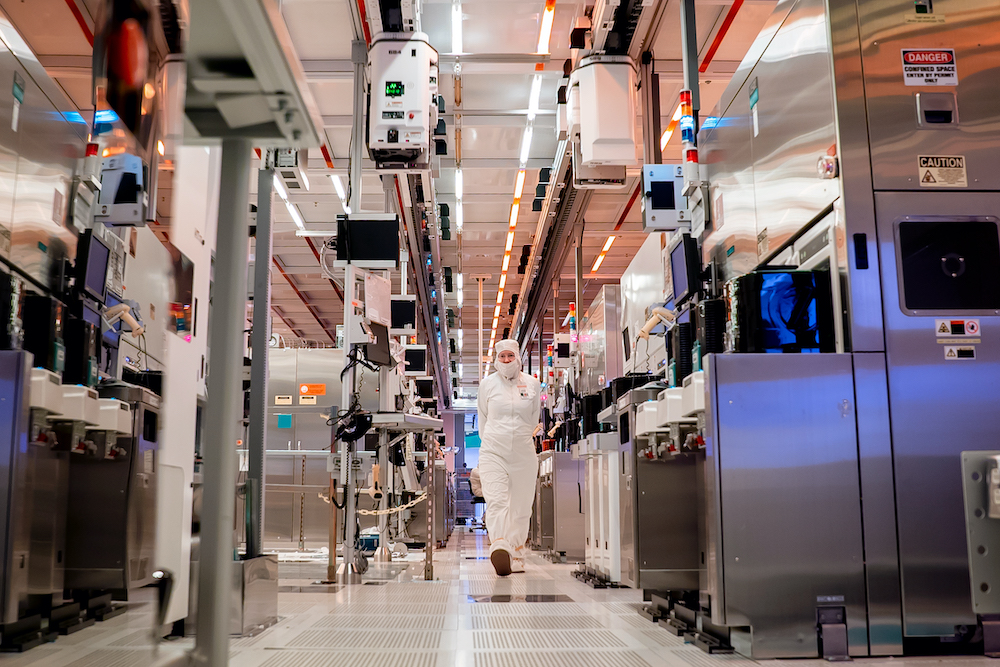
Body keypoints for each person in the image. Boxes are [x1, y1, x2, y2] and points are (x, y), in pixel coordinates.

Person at [476, 339, 541, 576]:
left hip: (524, 452)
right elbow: (483, 419)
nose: (506, 360)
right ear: (496, 359)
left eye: (510, 356)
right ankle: (500, 544)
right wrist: (496, 440)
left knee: (521, 506)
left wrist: (521, 437)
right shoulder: (487, 385)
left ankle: (517, 551)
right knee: (497, 500)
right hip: (493, 450)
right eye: (502, 356)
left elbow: (533, 418)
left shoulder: (532, 384)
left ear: (518, 357)